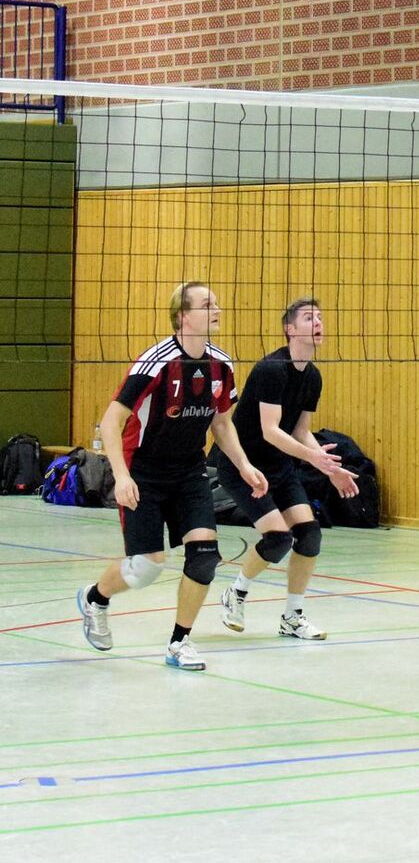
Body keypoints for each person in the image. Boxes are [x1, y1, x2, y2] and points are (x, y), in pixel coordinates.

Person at [76, 282, 267, 672]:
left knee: (204, 557)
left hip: (189, 471)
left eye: (216, 302)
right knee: (146, 567)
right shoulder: (155, 362)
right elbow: (112, 421)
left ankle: (179, 643)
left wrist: (245, 466)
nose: (217, 308)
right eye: (207, 304)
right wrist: (122, 475)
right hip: (143, 471)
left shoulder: (221, 365)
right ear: (183, 316)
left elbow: (222, 423)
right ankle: (96, 598)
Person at [216, 297, 359, 641]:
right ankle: (235, 593)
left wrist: (330, 469)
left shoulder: (313, 376)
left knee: (309, 535)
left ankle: (292, 616)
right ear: (290, 329)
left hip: (279, 466)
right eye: (309, 318)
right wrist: (313, 458)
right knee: (279, 538)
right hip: (244, 466)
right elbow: (270, 430)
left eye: (321, 317)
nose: (318, 323)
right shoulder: (271, 369)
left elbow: (300, 431)